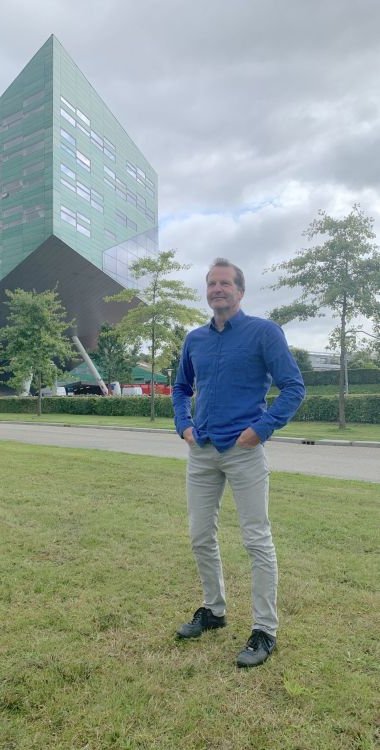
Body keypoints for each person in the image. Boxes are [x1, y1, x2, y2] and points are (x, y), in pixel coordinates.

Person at [172, 258, 305, 667]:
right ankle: (213, 610)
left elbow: (293, 387)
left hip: (244, 450)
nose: (217, 289)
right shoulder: (195, 339)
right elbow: (180, 387)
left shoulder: (264, 333)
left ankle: (265, 629)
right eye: (211, 283)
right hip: (202, 450)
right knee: (200, 535)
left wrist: (260, 430)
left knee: (256, 539)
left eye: (225, 283)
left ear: (240, 291)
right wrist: (184, 425)